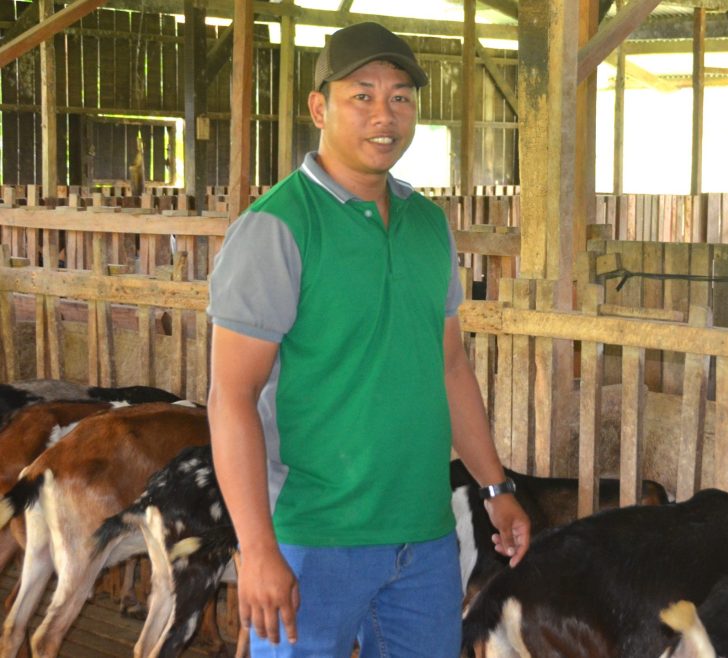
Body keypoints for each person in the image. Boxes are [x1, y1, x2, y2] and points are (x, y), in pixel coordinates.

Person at [206, 21, 530, 657]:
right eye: (362, 95)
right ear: (319, 108)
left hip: (424, 537)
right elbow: (231, 397)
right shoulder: (277, 228)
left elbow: (449, 368)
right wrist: (258, 547)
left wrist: (496, 490)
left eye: (400, 96)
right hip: (311, 537)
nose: (385, 114)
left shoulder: (428, 225)